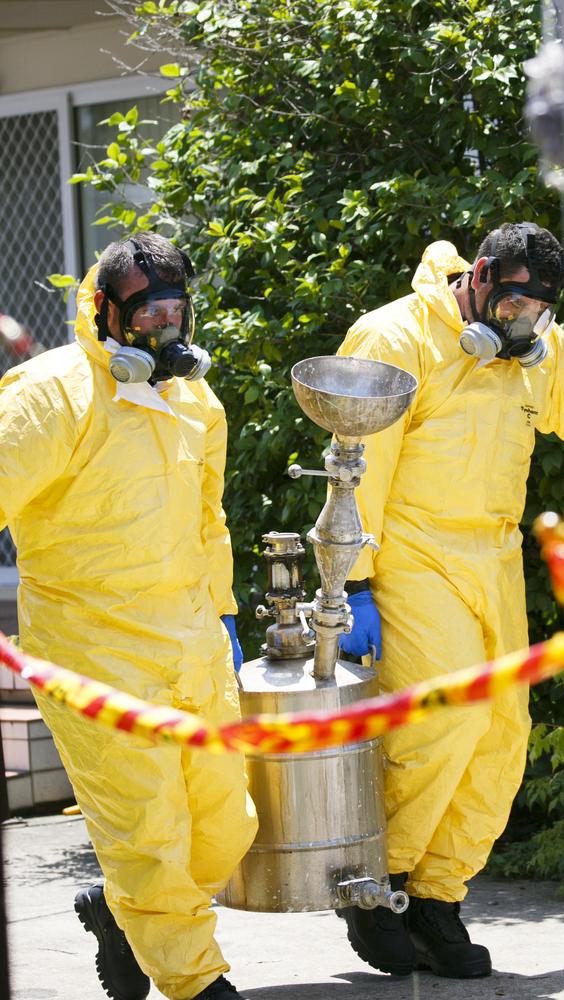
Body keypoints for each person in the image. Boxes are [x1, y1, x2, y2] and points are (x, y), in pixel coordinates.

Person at [336, 222, 564, 979]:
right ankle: (378, 891)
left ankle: (438, 896)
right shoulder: (394, 336)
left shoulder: (544, 352)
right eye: (512, 307)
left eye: (537, 314)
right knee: (446, 718)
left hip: (493, 556)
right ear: (478, 277)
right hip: (409, 552)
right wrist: (352, 582)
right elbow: (356, 465)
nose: (522, 326)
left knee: (504, 733)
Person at [0, 233, 258, 1000]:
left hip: (191, 643)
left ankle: (121, 915)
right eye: (148, 316)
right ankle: (196, 981)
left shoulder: (195, 400)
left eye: (176, 311)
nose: (165, 330)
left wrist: (224, 616)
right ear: (107, 313)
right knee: (149, 832)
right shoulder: (51, 394)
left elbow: (208, 522)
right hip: (92, 651)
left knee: (226, 827)